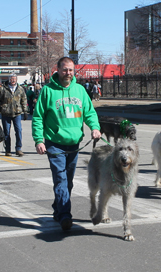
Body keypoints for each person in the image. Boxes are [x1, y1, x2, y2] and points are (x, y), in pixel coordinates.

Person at [32, 57, 101, 231]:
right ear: (58, 70)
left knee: (68, 182)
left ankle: (58, 208)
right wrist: (39, 140)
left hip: (74, 144)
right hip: (54, 143)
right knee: (61, 179)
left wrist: (94, 128)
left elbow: (90, 113)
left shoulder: (79, 90)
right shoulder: (47, 91)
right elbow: (38, 117)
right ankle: (65, 215)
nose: (68, 73)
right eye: (64, 70)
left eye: (71, 70)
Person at [0, 74, 28, 156]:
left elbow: (24, 100)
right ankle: (8, 150)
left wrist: (25, 112)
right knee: (6, 132)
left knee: (19, 131)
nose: (13, 80)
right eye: (12, 79)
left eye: (14, 79)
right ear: (9, 79)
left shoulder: (20, 89)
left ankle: (18, 149)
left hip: (17, 113)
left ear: (16, 79)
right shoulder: (3, 89)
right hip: (6, 113)